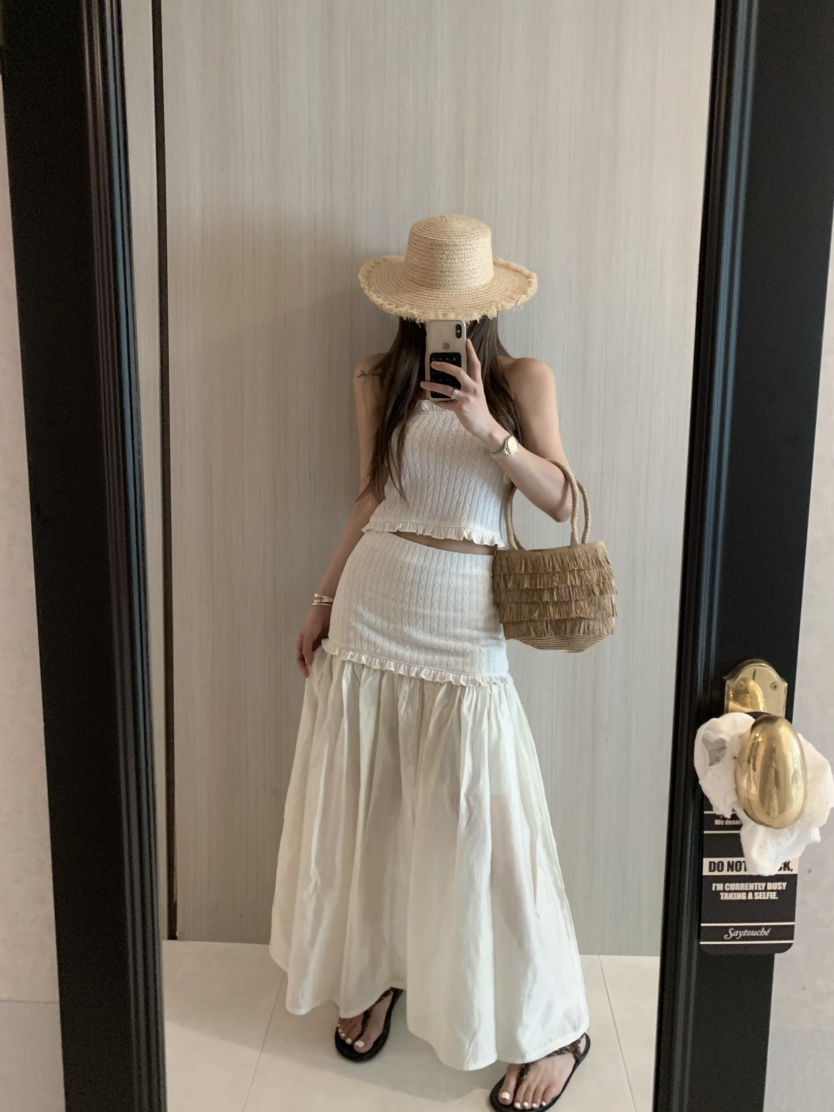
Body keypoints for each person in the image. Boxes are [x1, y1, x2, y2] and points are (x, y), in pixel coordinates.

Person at [269, 215, 591, 1111]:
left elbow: (565, 501)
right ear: (407, 306)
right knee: (370, 806)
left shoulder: (522, 380)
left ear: (487, 306)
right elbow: (372, 495)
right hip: (374, 605)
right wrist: (322, 599)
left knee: (492, 825)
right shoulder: (379, 378)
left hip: (463, 622)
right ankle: (374, 969)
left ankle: (556, 1024)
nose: (446, 320)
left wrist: (490, 429)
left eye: (461, 306)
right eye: (430, 306)